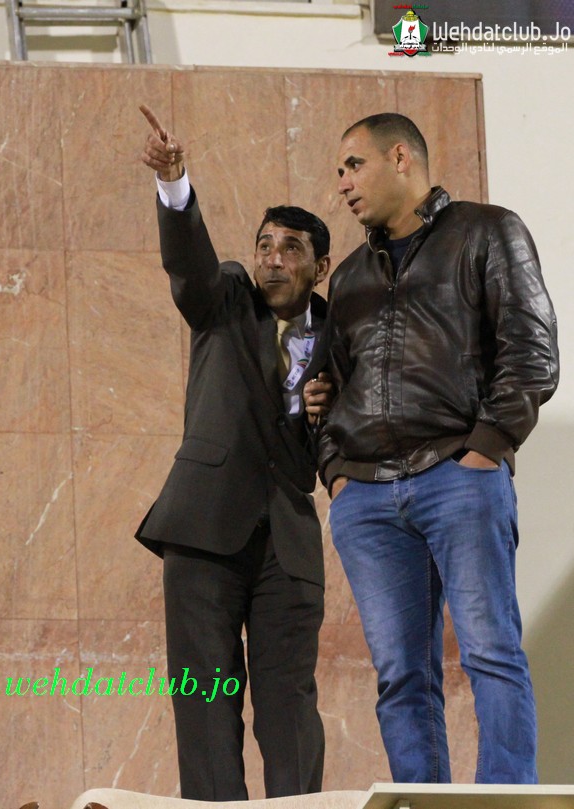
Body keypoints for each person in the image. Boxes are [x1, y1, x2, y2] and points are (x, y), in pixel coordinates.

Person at [317, 112, 558, 784]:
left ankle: (505, 800)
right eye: (339, 172)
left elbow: (532, 351)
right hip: (366, 498)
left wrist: (485, 449)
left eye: (353, 165)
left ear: (401, 158)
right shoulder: (349, 277)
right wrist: (336, 471)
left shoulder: (488, 231)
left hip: (460, 477)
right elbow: (329, 386)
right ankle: (421, 802)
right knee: (400, 675)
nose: (342, 184)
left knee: (490, 653)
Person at [134, 105, 330, 800]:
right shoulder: (224, 299)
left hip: (288, 542)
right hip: (203, 528)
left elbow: (343, 441)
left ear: (320, 267)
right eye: (265, 244)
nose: (272, 257)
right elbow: (187, 266)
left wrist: (326, 412)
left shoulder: (342, 336)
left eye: (290, 249)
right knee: (206, 703)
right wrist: (174, 183)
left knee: (290, 705)